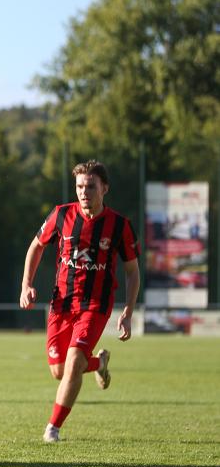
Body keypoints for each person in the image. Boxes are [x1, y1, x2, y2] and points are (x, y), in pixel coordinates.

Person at [19, 160, 140, 443]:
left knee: (73, 364)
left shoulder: (120, 225)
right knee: (59, 371)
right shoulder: (61, 215)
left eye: (90, 187)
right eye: (80, 187)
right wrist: (26, 284)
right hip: (61, 304)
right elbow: (36, 246)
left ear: (104, 188)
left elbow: (132, 271)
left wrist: (129, 311)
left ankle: (53, 428)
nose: (84, 192)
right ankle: (99, 363)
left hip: (95, 306)